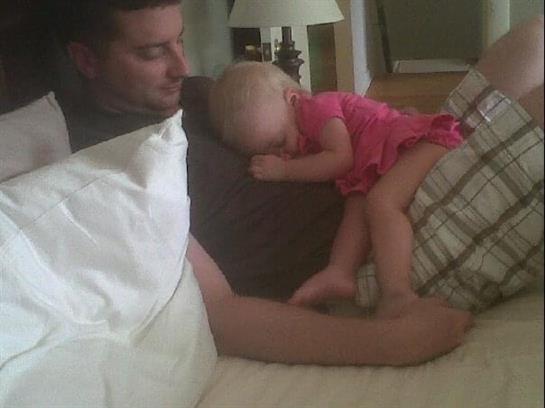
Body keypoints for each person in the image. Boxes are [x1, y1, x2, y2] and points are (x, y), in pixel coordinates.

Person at [46, 0, 478, 366]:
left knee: (514, 59)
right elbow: (221, 314)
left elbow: (311, 120)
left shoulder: (197, 94)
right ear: (87, 60)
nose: (183, 66)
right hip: (383, 250)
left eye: (180, 41)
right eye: (152, 52)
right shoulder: (115, 166)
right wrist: (394, 344)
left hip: (384, 190)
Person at [210, 61, 465, 317]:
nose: (283, 154)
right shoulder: (295, 126)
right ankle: (340, 271)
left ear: (293, 99)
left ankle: (397, 293)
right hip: (374, 165)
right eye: (269, 153)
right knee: (356, 204)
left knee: (381, 203)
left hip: (422, 144)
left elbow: (341, 159)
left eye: (279, 141)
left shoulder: (316, 108)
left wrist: (284, 170)